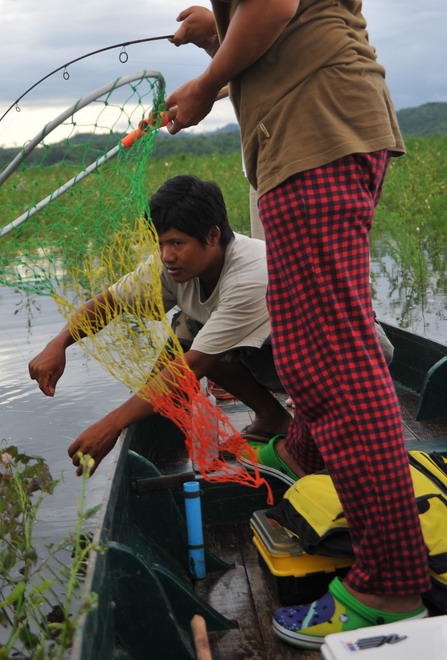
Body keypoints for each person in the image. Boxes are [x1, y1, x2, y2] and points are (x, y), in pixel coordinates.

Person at [151, 0, 430, 649]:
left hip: (311, 124)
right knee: (318, 341)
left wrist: (203, 84)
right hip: (341, 110)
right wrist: (217, 25)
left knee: (334, 357)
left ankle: (390, 583)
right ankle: (308, 453)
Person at [28, 174, 291, 473]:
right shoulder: (170, 265)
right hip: (258, 357)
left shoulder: (249, 274)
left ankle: (301, 425)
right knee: (189, 325)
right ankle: (271, 416)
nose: (167, 255)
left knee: (191, 341)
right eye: (161, 243)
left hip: (301, 365)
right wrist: (59, 343)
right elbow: (108, 303)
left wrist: (111, 424)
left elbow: (192, 365)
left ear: (213, 236)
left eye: (177, 243)